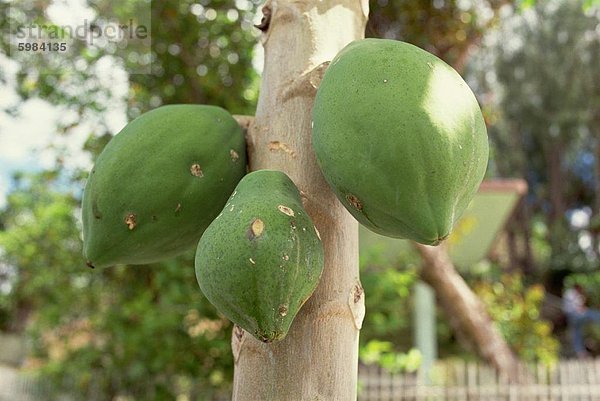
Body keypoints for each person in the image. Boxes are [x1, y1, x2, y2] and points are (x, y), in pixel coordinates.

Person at [562, 284, 600, 358]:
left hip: (575, 316)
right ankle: (580, 352)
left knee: (577, 334)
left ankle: (580, 352)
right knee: (594, 314)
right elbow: (576, 307)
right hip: (575, 316)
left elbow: (580, 306)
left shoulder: (576, 295)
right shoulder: (570, 293)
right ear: (577, 288)